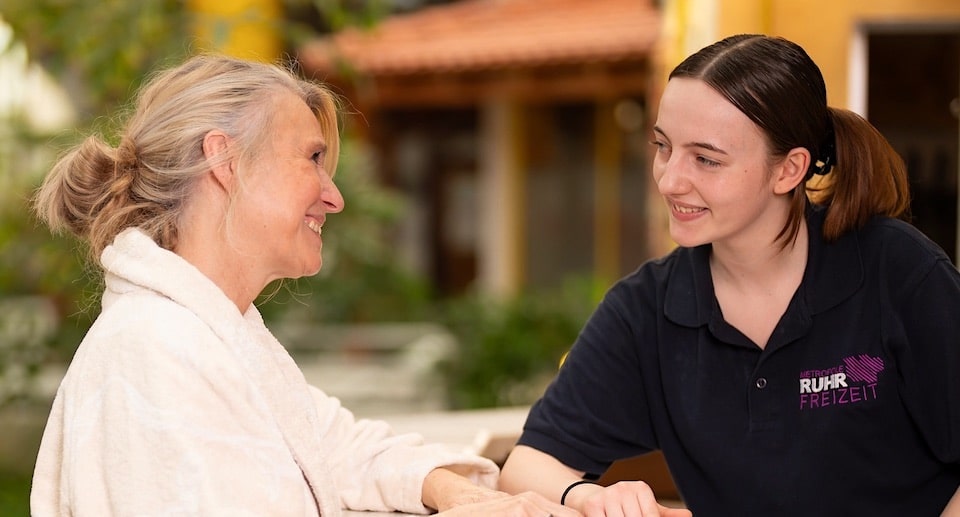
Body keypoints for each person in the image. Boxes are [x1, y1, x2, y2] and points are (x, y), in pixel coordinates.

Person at [30, 53, 577, 517]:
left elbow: (337, 448)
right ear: (224, 160)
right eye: (313, 158)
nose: (333, 195)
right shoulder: (154, 352)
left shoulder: (215, 337)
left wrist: (456, 491)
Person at [498, 33, 960, 516]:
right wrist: (589, 495)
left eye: (706, 159)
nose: (670, 179)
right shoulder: (645, 311)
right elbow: (527, 465)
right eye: (663, 147)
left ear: (789, 170)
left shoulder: (898, 272)